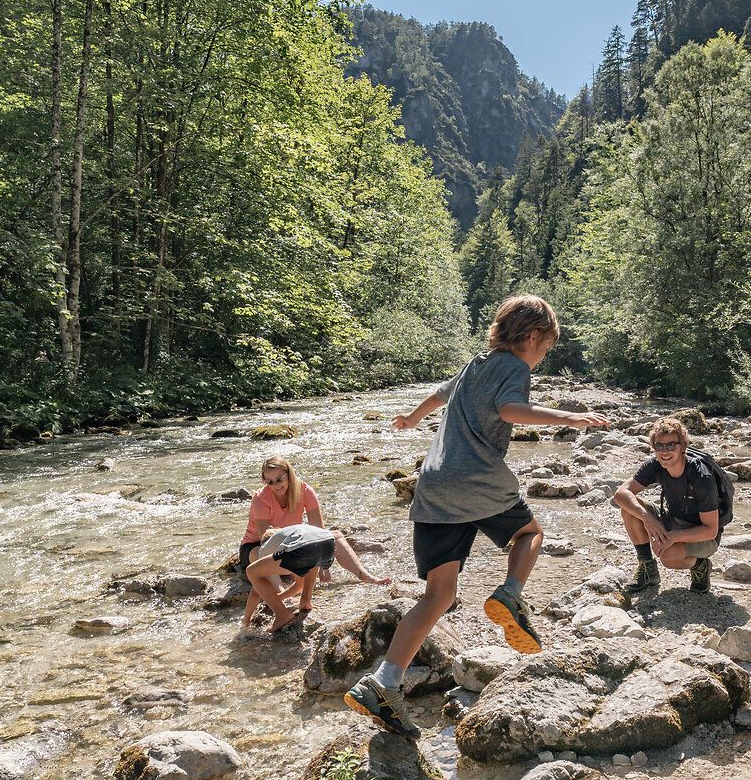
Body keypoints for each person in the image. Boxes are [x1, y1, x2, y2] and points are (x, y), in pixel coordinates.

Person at [344, 293, 608, 736]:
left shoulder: (474, 365)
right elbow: (509, 409)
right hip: (479, 479)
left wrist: (411, 418)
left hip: (434, 486)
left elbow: (438, 395)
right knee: (530, 534)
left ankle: (384, 682)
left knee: (437, 595)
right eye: (545, 349)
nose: (542, 357)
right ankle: (510, 594)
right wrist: (569, 416)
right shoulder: (514, 367)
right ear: (532, 336)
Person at [239, 458, 391, 633]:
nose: (275, 485)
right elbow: (264, 539)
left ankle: (366, 576)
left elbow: (318, 531)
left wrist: (324, 565)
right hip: (257, 544)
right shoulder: (261, 497)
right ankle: (280, 593)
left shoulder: (305, 490)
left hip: (294, 542)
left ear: (289, 475)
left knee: (334, 535)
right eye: (269, 481)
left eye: (279, 479)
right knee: (260, 554)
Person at [611, 415, 723, 598]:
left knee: (669, 557)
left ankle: (700, 565)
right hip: (673, 519)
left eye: (671, 445)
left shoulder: (701, 476)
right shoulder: (655, 465)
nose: (664, 451)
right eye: (659, 445)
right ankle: (647, 567)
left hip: (701, 533)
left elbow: (710, 530)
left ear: (682, 447)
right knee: (631, 509)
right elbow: (621, 494)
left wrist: (672, 537)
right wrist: (647, 518)